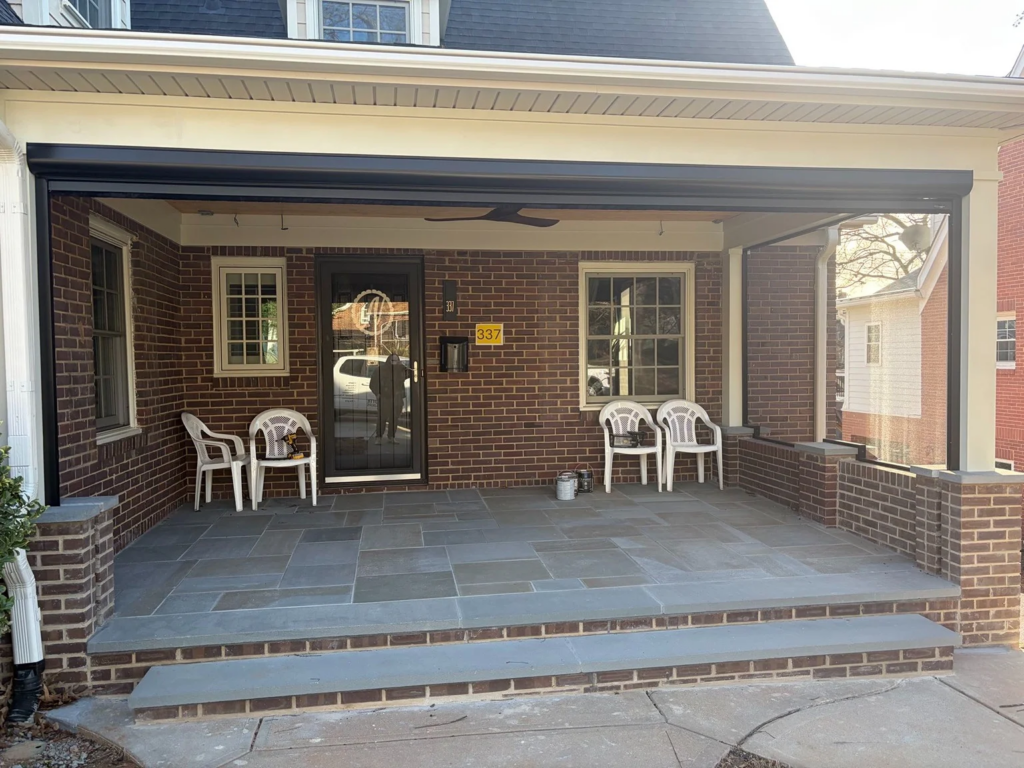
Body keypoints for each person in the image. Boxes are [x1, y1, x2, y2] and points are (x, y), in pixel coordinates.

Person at [368, 353, 408, 442]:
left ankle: (391, 437)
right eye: (392, 360)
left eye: (396, 360)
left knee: (394, 418)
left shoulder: (400, 370)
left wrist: (402, 366)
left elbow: (412, 373)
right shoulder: (380, 370)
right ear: (388, 360)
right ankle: (379, 437)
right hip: (384, 397)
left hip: (397, 398)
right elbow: (372, 383)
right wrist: (378, 393)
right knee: (382, 418)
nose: (394, 362)